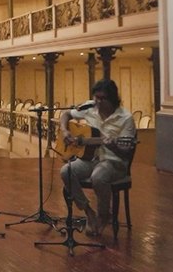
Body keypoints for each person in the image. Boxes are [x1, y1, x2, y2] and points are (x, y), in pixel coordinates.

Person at [59, 78, 136, 237]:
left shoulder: (126, 118)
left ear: (113, 98)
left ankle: (103, 215)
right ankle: (89, 212)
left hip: (114, 162)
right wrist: (65, 131)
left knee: (98, 177)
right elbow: (65, 114)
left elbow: (126, 152)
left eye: (103, 98)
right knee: (66, 171)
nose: (98, 102)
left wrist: (113, 146)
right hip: (91, 158)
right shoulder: (89, 108)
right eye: (96, 98)